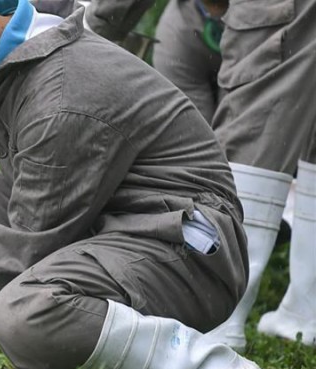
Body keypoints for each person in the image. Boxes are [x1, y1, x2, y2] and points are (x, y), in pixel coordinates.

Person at [0, 0, 261, 367]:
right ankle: (54, 350)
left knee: (23, 313)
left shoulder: (60, 100)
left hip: (187, 253)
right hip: (114, 227)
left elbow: (20, 249)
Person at [86, 0, 316, 353]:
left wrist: (90, 24)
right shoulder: (178, 31)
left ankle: (218, 324)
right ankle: (304, 312)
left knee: (252, 127)